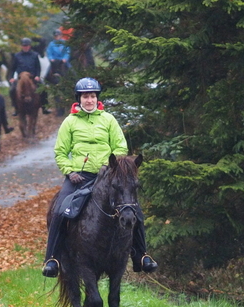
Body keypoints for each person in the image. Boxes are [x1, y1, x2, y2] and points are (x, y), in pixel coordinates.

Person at [42, 77, 158, 278]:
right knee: (61, 209)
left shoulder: (108, 120)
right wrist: (70, 171)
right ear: (79, 99)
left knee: (134, 209)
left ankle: (141, 256)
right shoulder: (69, 122)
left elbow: (120, 147)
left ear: (97, 98)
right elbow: (61, 152)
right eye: (86, 96)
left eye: (93, 96)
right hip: (79, 177)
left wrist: (110, 165)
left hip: (108, 175)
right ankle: (52, 259)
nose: (90, 100)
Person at [8, 37, 51, 115]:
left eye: (27, 45)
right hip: (21, 78)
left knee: (43, 89)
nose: (26, 47)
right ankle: (16, 108)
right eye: (24, 45)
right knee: (12, 90)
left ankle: (44, 107)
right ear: (22, 46)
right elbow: (12, 68)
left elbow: (38, 67)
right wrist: (11, 77)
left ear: (30, 46)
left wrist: (37, 76)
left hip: (32, 77)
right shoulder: (17, 56)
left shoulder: (35, 55)